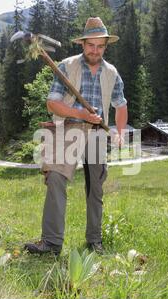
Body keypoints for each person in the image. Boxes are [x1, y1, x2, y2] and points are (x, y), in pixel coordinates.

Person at [24, 17, 128, 255]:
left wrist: (120, 133)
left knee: (95, 187)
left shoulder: (112, 73)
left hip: (96, 133)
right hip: (68, 127)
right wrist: (78, 112)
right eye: (91, 45)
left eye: (100, 46)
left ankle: (94, 241)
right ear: (82, 44)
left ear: (105, 46)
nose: (95, 50)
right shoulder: (66, 66)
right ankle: (51, 243)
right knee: (56, 177)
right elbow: (52, 103)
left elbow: (121, 106)